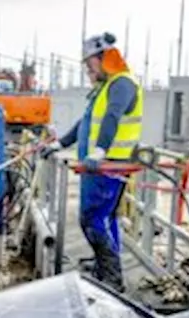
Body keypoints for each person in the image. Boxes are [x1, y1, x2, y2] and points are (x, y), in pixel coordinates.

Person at [47, 31, 144, 291]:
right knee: (105, 216)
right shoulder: (106, 87)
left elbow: (113, 116)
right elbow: (85, 123)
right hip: (99, 165)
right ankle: (106, 267)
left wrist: (100, 151)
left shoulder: (121, 84)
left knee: (91, 218)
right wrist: (61, 144)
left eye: (91, 64)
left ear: (106, 58)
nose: (89, 71)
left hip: (108, 165)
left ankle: (112, 277)